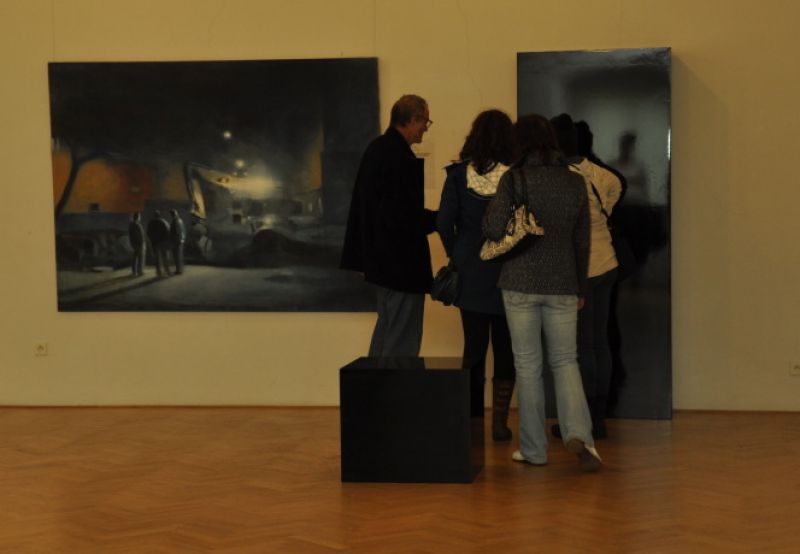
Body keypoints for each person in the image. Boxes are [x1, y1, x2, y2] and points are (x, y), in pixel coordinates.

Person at [482, 114, 601, 471]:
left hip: (520, 283)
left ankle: (534, 450)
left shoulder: (514, 178)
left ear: (520, 143)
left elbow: (493, 228)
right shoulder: (574, 181)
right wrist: (580, 287)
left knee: (527, 366)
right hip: (563, 283)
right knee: (565, 361)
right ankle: (581, 436)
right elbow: (582, 241)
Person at [436, 109, 517, 440]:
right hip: (510, 270)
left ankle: (471, 422)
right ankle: (499, 423)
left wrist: (456, 254)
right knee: (506, 349)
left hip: (471, 270)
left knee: (473, 349)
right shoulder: (517, 176)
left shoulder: (457, 175)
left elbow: (443, 222)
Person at [340, 94, 437, 356]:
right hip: (400, 264)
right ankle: (396, 383)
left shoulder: (378, 148)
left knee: (387, 330)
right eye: (425, 122)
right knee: (402, 339)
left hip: (381, 262)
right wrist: (439, 219)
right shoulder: (398, 156)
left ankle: (378, 383)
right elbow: (401, 215)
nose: (425, 129)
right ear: (413, 119)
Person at [550, 113, 622, 439]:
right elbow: (614, 194)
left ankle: (582, 420)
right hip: (607, 263)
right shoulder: (601, 174)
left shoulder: (558, 179)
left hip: (580, 270)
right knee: (599, 342)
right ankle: (598, 416)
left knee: (579, 347)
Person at [146, 210, 171, 277]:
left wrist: (152, 240)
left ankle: (159, 272)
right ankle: (167, 270)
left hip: (155, 243)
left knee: (157, 258)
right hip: (163, 242)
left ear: (154, 215)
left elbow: (148, 233)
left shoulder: (151, 223)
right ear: (159, 215)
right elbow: (168, 232)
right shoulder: (163, 222)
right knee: (165, 257)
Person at [169, 209, 186, 274]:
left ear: (172, 215)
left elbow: (175, 232)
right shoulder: (180, 220)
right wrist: (183, 239)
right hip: (181, 240)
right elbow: (183, 230)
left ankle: (178, 270)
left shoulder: (174, 221)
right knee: (180, 255)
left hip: (176, 241)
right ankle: (181, 269)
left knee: (176, 256)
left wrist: (171, 239)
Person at [128, 212, 145, 277]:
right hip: (139, 244)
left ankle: (134, 272)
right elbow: (140, 235)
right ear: (138, 217)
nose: (140, 217)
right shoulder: (137, 225)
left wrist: (132, 243)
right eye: (139, 216)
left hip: (134, 243)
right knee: (140, 258)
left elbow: (130, 235)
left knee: (135, 258)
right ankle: (140, 271)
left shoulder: (131, 225)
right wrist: (142, 243)